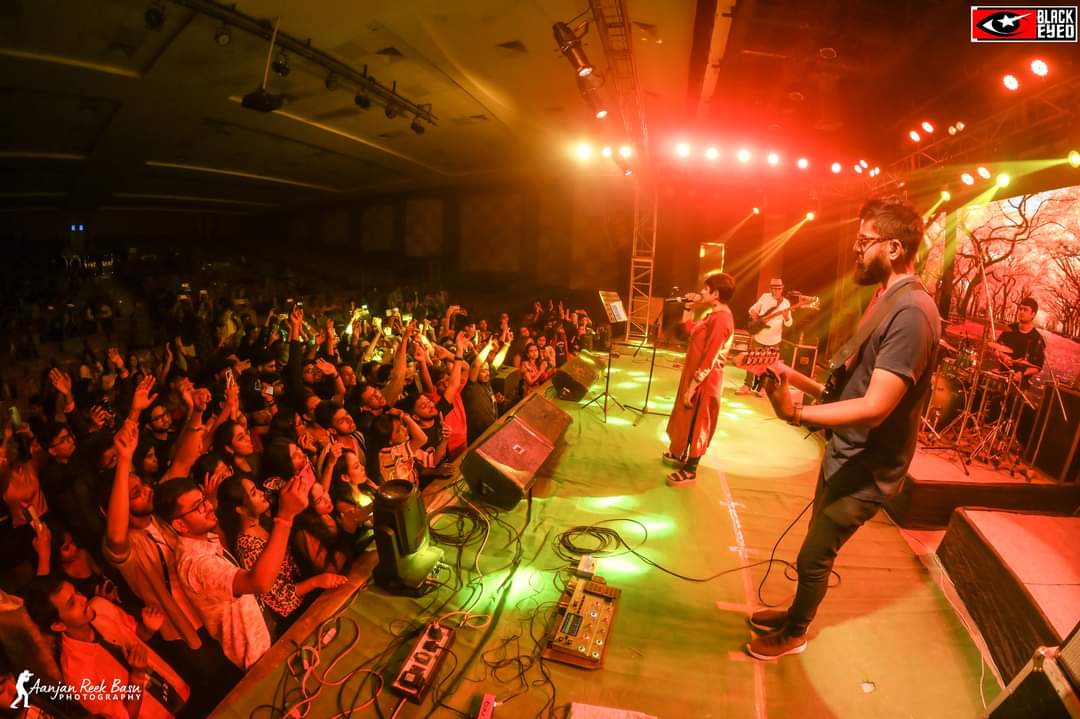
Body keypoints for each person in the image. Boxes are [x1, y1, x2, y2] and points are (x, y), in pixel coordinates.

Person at [748, 196, 940, 659]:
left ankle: (795, 633)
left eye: (864, 241)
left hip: (868, 468)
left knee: (814, 555)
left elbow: (874, 408)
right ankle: (795, 614)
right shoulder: (887, 299)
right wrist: (796, 380)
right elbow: (850, 392)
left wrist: (796, 414)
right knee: (815, 546)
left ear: (893, 248)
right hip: (846, 454)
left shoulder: (912, 313)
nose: (856, 249)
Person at [662, 272, 737, 487]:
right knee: (688, 416)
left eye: (705, 289)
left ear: (716, 294)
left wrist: (693, 387)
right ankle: (681, 455)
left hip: (706, 380)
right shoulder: (711, 314)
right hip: (696, 376)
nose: (701, 292)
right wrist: (688, 307)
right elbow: (688, 331)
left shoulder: (722, 319)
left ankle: (691, 469)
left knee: (699, 422)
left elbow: (710, 358)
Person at [736, 278, 792, 396]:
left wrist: (787, 317)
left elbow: (789, 323)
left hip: (774, 339)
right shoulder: (764, 297)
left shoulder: (786, 303)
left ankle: (763, 389)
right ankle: (747, 385)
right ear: (771, 289)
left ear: (782, 289)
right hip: (759, 336)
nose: (777, 291)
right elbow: (752, 309)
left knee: (769, 366)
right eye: (775, 289)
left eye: (779, 289)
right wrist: (755, 315)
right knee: (752, 362)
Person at [994, 297, 1045, 388]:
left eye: (1025, 310)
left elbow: (1037, 367)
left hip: (1020, 383)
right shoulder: (1009, 329)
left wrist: (1022, 373)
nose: (1021, 312)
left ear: (1033, 314)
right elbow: (997, 348)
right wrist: (1004, 357)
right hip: (1002, 374)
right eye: (1020, 309)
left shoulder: (1037, 339)